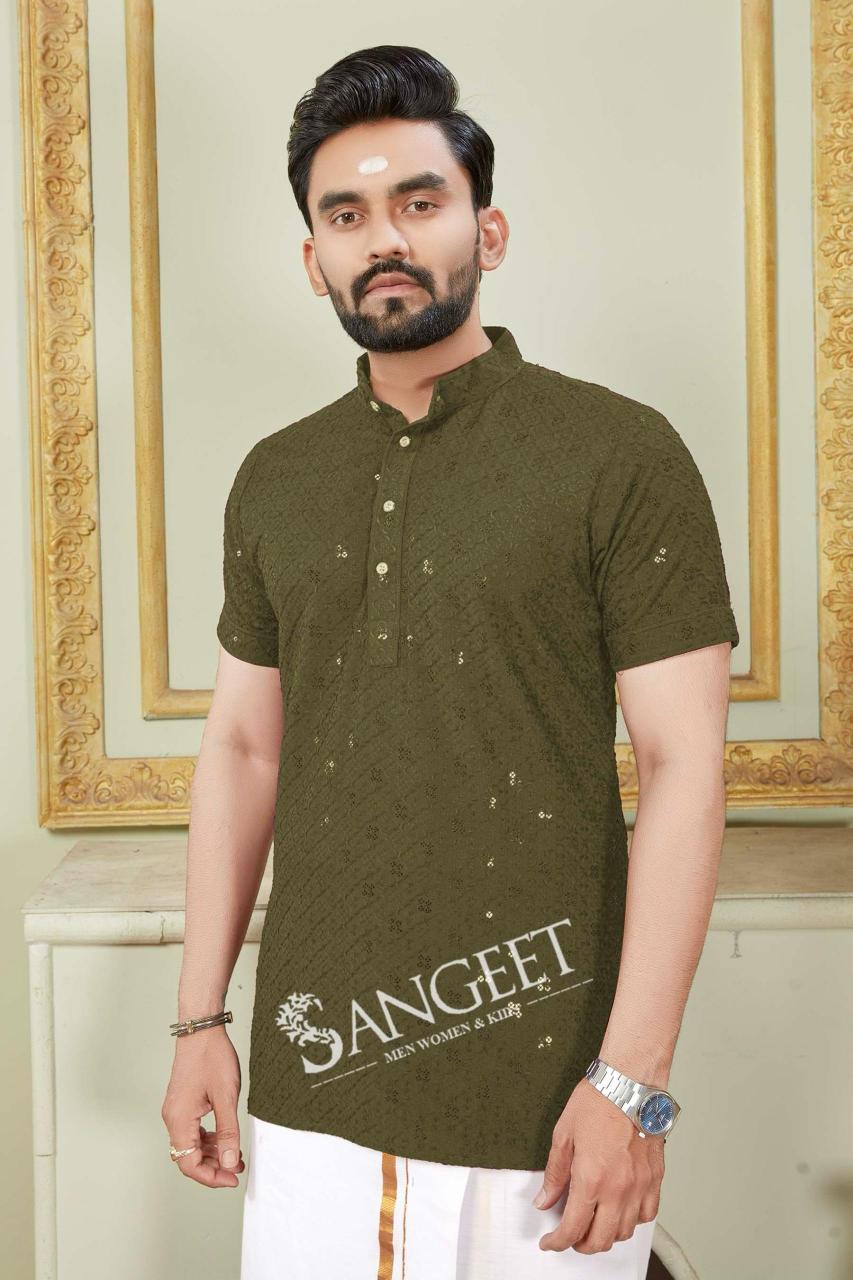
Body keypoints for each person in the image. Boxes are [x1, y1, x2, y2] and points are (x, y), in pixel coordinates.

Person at [161, 43, 739, 1278]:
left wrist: (631, 1082)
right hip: (312, 1084)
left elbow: (684, 764)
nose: (384, 237)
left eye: (419, 201)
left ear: (488, 228)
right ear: (312, 258)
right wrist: (200, 1016)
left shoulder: (618, 454)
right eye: (346, 214)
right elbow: (244, 747)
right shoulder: (276, 477)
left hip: (542, 1093)